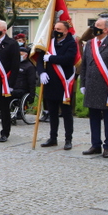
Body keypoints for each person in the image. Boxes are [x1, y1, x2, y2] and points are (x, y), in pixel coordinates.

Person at [80, 17, 108, 158]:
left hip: (107, 88)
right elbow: (84, 65)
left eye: (98, 26)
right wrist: (83, 83)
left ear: (106, 29)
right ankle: (95, 145)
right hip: (92, 86)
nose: (95, 27)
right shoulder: (90, 44)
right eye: (94, 25)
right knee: (93, 117)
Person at [38, 20, 78, 150]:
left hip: (64, 83)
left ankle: (68, 139)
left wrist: (51, 59)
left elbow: (68, 59)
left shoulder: (71, 43)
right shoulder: (49, 42)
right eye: (55, 29)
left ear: (66, 31)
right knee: (52, 112)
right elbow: (40, 59)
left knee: (66, 113)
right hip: (50, 82)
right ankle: (53, 138)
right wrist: (42, 72)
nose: (56, 31)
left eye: (59, 29)